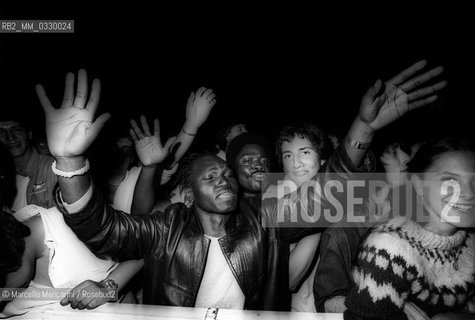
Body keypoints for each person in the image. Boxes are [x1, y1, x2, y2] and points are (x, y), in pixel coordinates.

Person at [41, 60, 445, 311]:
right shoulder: (167, 227)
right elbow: (103, 228)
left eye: (228, 174)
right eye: (211, 175)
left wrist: (363, 129)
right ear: (190, 191)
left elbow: (329, 196)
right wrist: (70, 162)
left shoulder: (264, 221)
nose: (226, 178)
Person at [343, 137, 475, 319]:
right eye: (450, 180)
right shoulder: (389, 249)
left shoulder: (471, 242)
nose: (469, 193)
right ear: (419, 186)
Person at [0, 110, 57, 214]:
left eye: (16, 130)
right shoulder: (3, 176)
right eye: (1, 132)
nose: (10, 137)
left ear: (29, 134)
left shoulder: (52, 167)